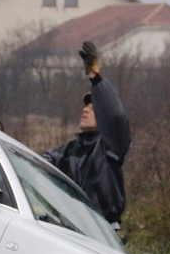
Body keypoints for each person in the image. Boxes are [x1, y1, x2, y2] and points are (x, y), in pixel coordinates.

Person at [44, 41, 131, 232]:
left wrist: (96, 78)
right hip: (71, 229)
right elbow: (37, 164)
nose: (85, 110)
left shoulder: (110, 146)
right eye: (85, 106)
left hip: (103, 230)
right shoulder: (69, 151)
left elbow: (115, 115)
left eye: (92, 108)